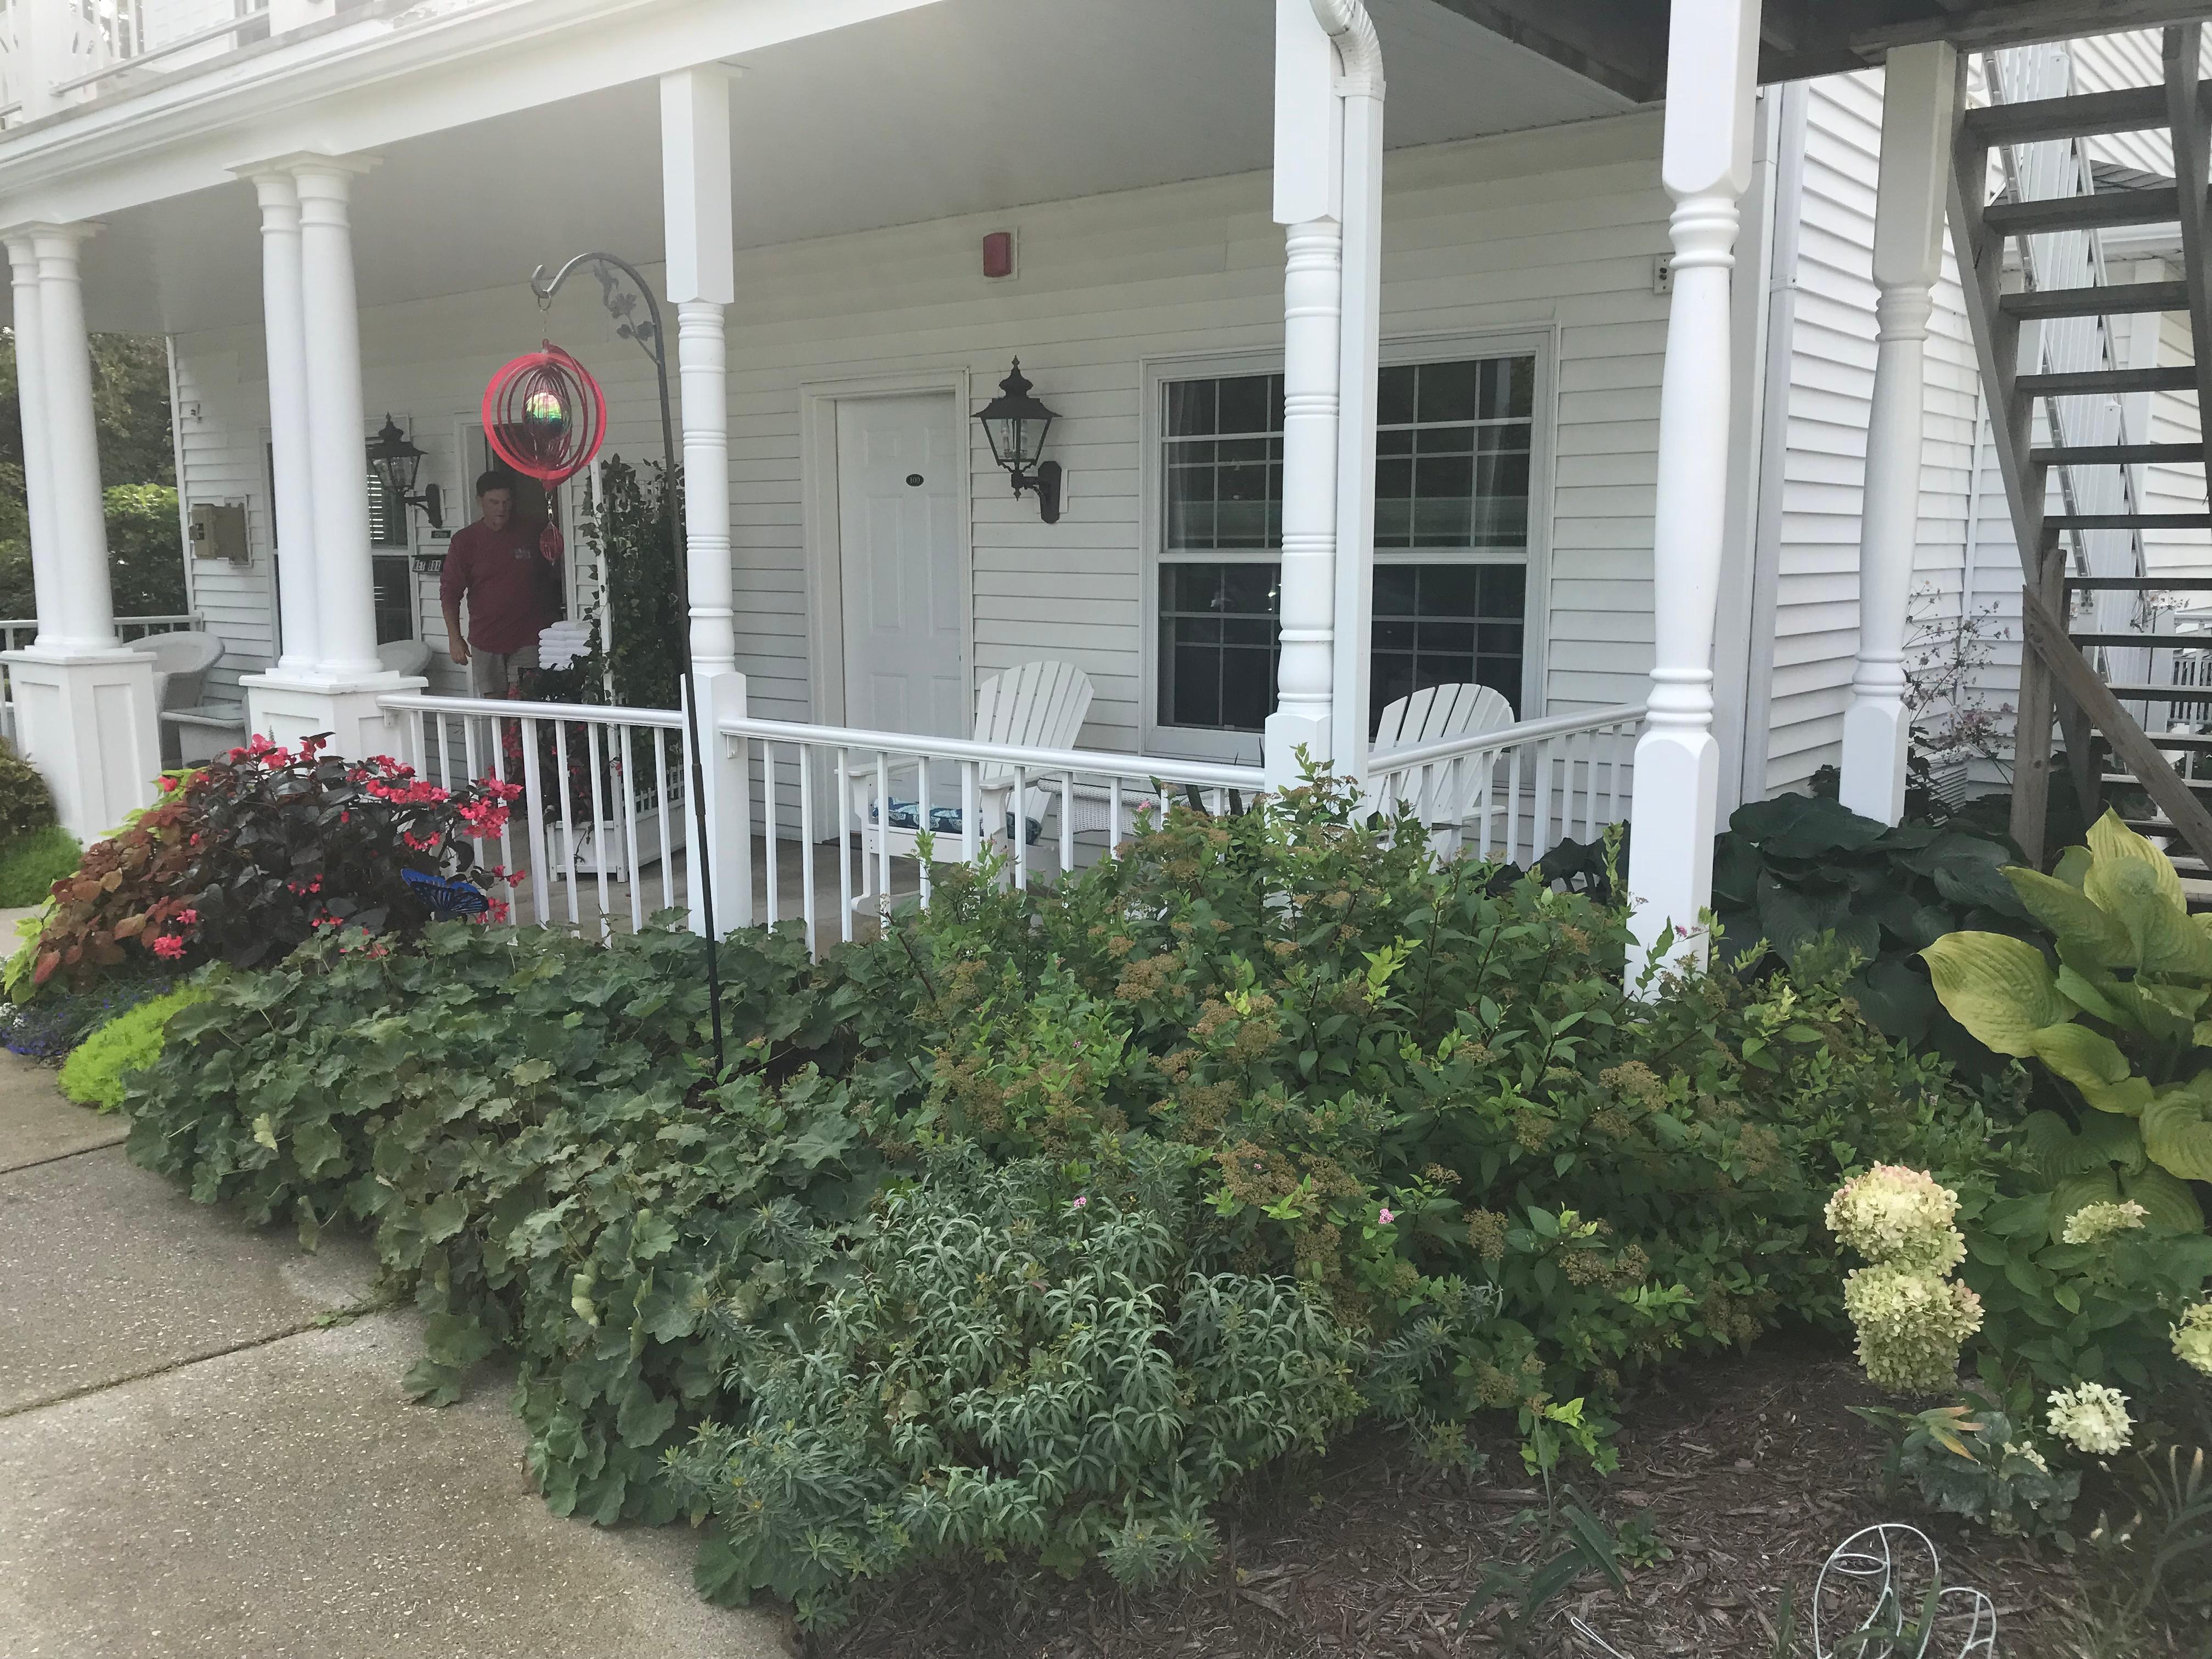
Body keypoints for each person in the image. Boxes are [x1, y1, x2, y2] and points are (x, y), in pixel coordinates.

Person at [439, 472, 561, 697]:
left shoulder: (532, 531)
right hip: (486, 640)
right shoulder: (465, 541)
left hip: (528, 638)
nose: (501, 508)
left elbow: (552, 577)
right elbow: (450, 592)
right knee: (497, 710)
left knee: (523, 705)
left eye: (506, 502)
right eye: (494, 502)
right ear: (480, 502)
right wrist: (455, 639)